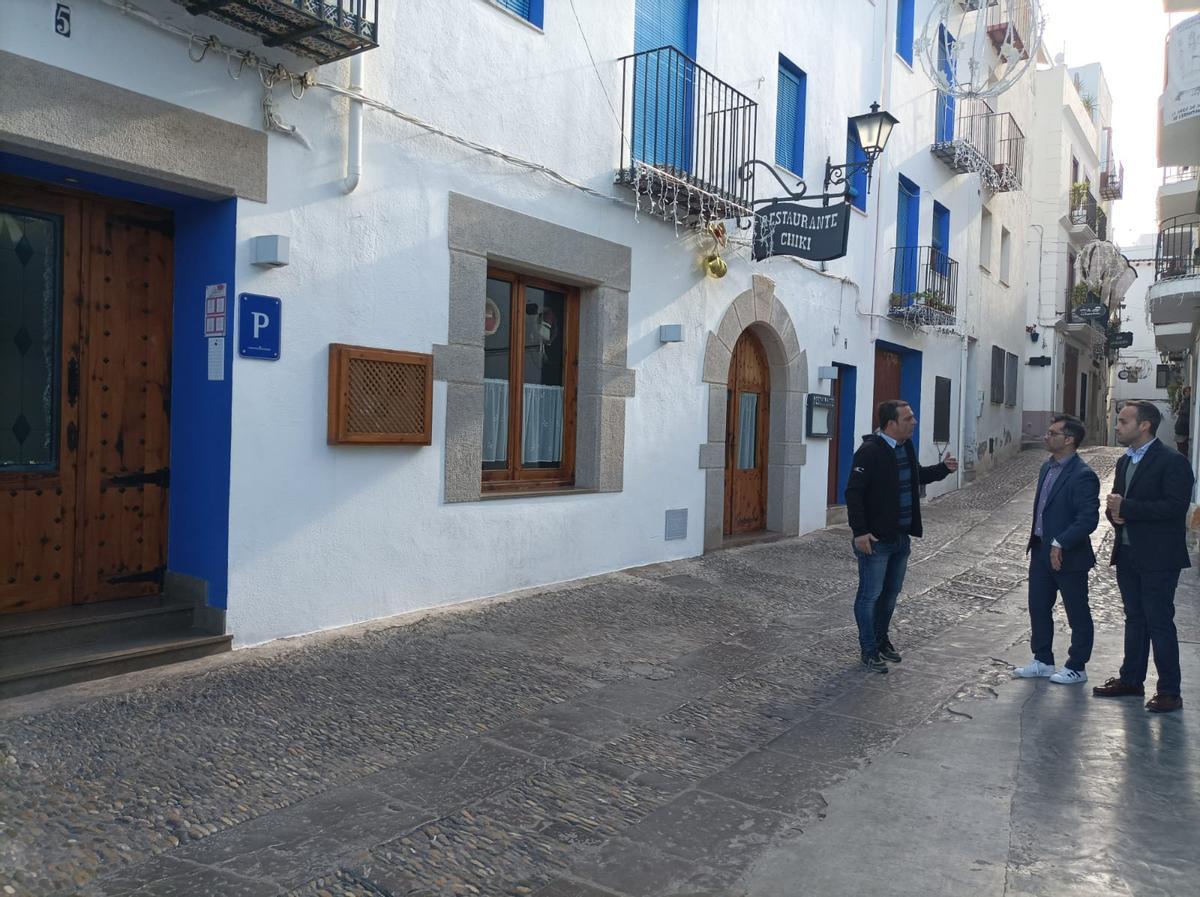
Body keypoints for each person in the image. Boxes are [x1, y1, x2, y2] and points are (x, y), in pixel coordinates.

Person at [1093, 400, 1195, 713]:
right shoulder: (1125, 461)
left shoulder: (1172, 461)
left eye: (1123, 421)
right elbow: (1120, 503)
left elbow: (1175, 508)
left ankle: (1169, 691)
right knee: (1135, 619)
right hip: (1127, 552)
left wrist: (1128, 509)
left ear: (1145, 425)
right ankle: (1131, 680)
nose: (1117, 426)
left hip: (1159, 557)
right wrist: (1116, 515)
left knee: (1159, 622)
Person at [845, 400, 957, 673]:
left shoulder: (905, 446)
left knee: (891, 595)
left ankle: (882, 642)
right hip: (876, 541)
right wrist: (860, 532)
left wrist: (943, 469)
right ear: (891, 424)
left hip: (900, 538)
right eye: (908, 418)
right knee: (869, 596)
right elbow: (853, 493)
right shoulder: (869, 452)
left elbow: (915, 475)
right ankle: (868, 649)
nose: (914, 422)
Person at [1013, 415, 1099, 684]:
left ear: (1069, 439)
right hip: (1040, 550)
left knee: (1077, 612)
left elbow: (1088, 519)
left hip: (1068, 555)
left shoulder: (1083, 475)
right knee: (1038, 607)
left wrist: (1060, 542)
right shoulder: (1046, 468)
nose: (1045, 437)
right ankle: (1042, 660)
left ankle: (1077, 665)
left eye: (1052, 433)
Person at [1175, 386, 1191, 456]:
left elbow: (1187, 411)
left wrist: (1179, 411)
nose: (1188, 393)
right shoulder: (1184, 401)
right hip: (1180, 427)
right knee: (1180, 447)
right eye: (1186, 392)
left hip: (1184, 428)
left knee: (1183, 448)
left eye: (1189, 391)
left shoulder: (1188, 402)